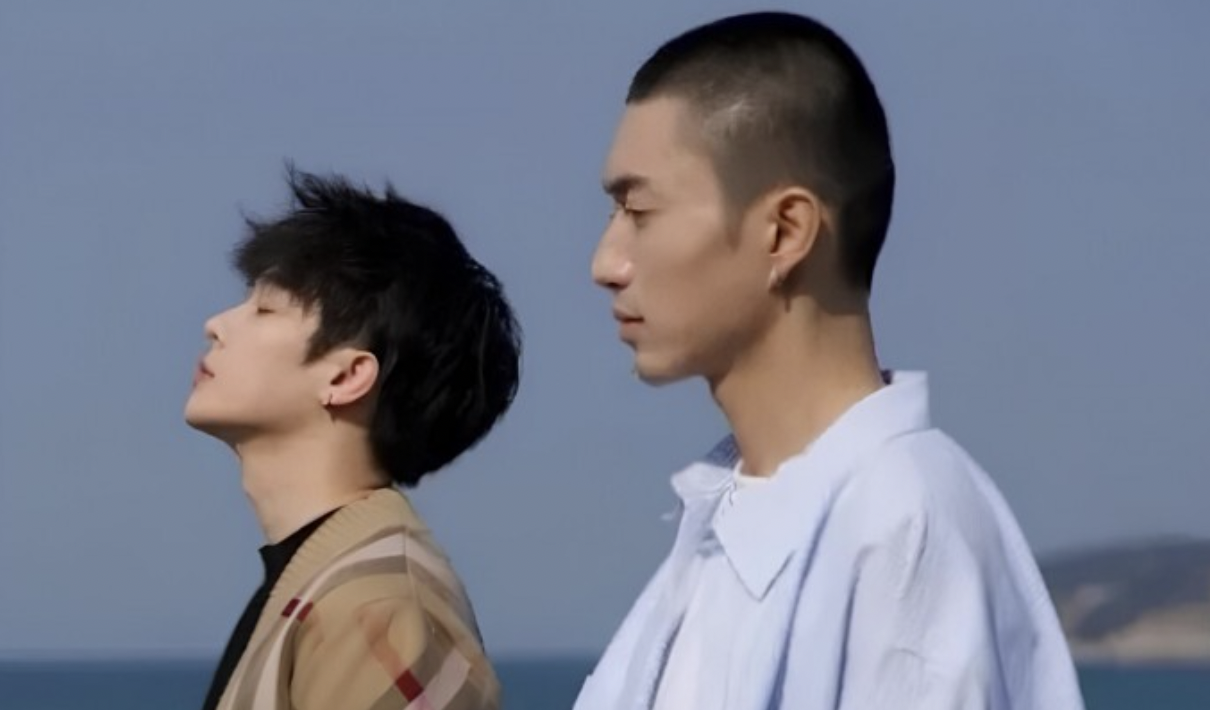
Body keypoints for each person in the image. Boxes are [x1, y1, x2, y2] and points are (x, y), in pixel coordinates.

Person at [575, 11, 1085, 710]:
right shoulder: (726, 515)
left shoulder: (900, 526)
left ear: (785, 231)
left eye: (639, 211)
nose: (606, 263)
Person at [185, 166, 520, 710]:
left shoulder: (377, 607)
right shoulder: (331, 583)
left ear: (346, 376)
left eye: (265, 308)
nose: (216, 324)